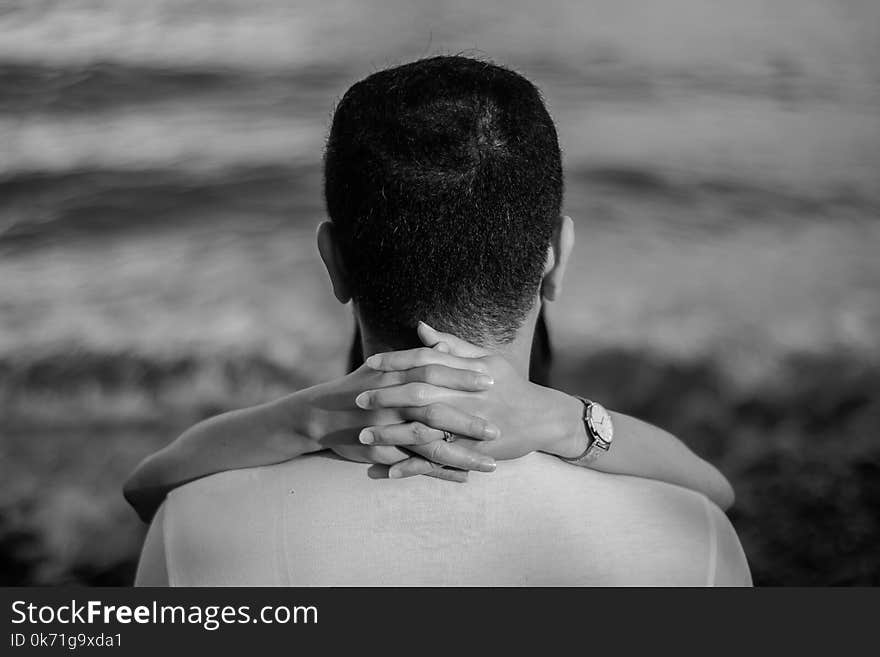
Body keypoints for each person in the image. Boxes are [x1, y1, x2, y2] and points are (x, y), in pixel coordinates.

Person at [130, 56, 751, 586]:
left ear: (334, 261)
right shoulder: (692, 542)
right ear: (554, 257)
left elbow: (146, 488)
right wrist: (570, 422)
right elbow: (714, 491)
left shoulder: (193, 529)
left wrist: (305, 418)